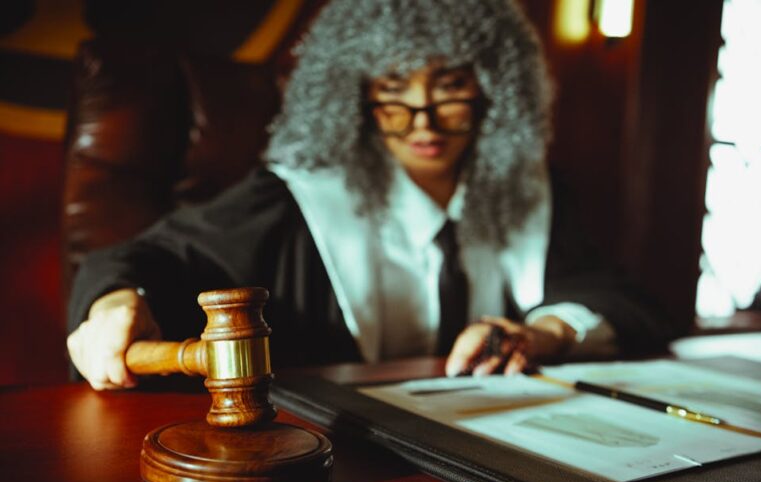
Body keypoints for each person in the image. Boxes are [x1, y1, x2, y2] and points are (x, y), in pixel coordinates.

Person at [67, 0, 673, 391]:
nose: (424, 121)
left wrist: (540, 334)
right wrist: (116, 305)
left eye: (451, 87)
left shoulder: (535, 194)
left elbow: (617, 298)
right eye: (394, 89)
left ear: (493, 91)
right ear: (355, 96)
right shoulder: (293, 198)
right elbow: (137, 264)